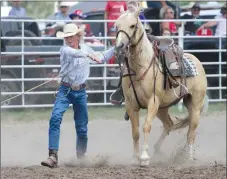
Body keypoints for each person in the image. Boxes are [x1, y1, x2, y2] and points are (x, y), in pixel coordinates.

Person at [40, 23, 115, 168]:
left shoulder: (86, 48)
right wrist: (89, 55)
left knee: (82, 127)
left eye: (70, 37)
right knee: (55, 118)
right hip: (65, 90)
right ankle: (53, 156)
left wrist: (117, 47)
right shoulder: (65, 50)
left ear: (78, 37)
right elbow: (74, 53)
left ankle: (81, 157)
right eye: (66, 37)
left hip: (80, 92)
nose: (68, 40)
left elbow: (102, 57)